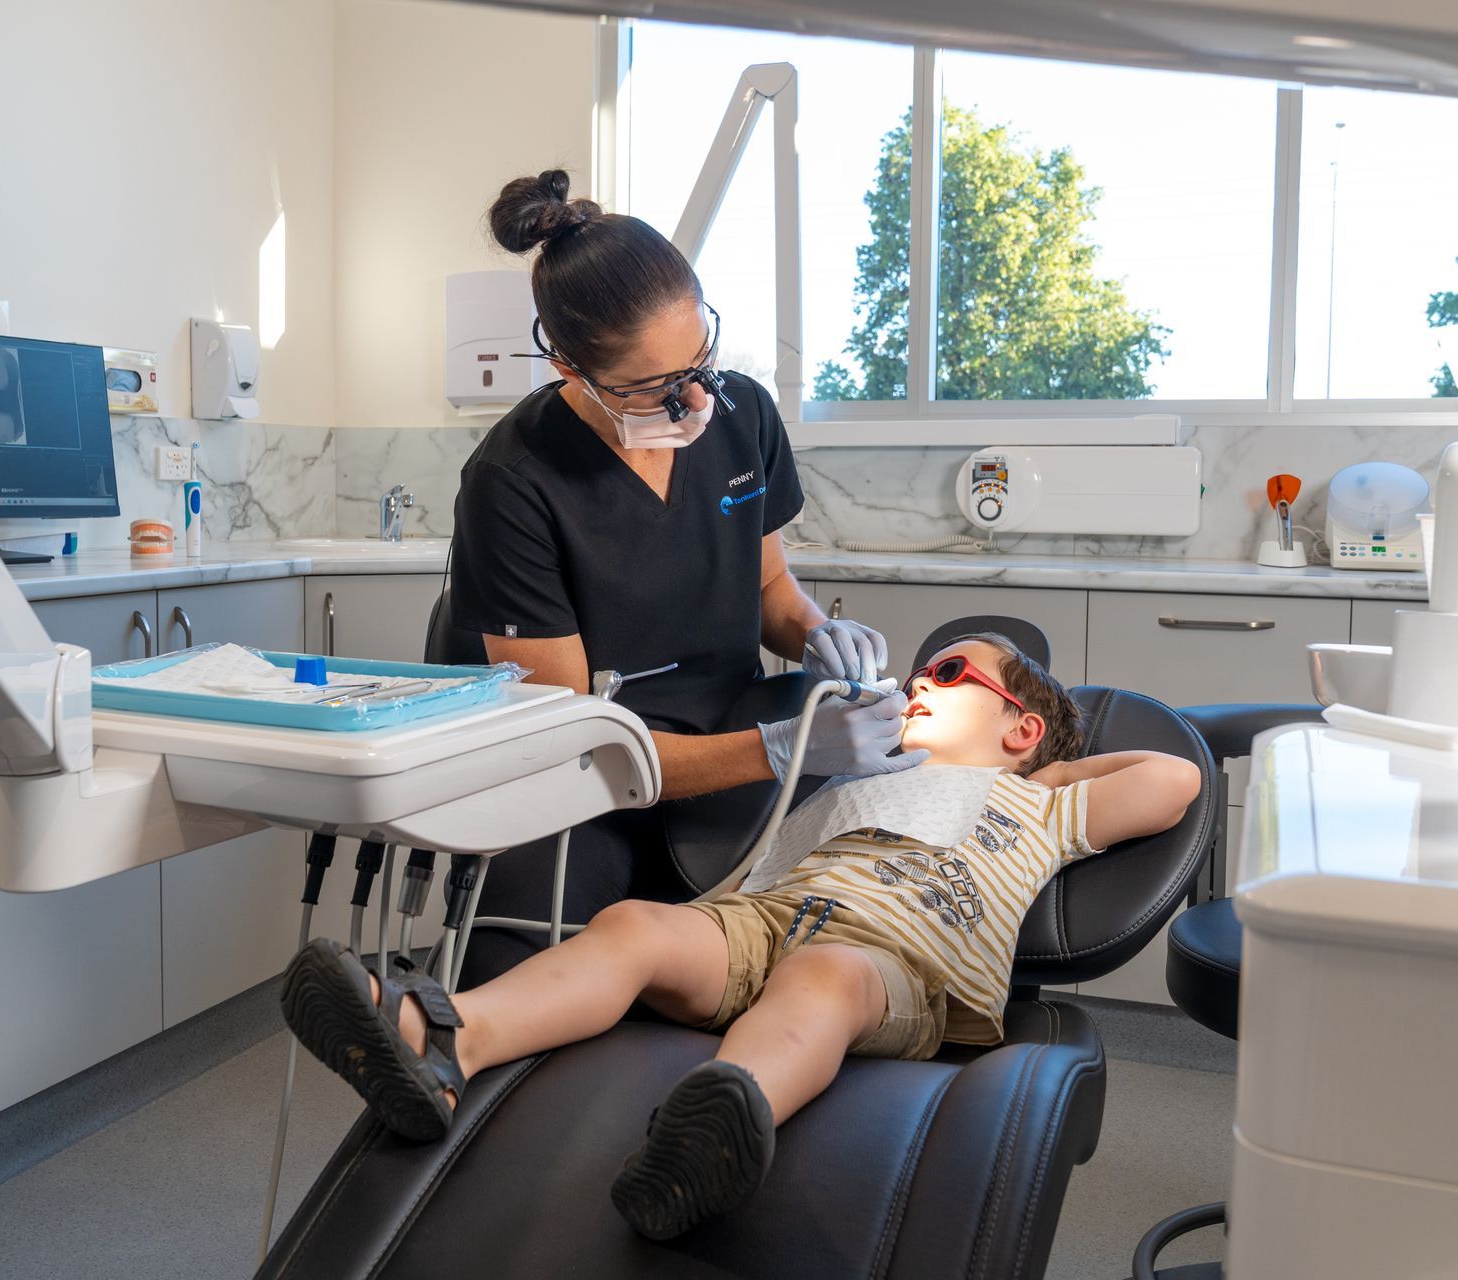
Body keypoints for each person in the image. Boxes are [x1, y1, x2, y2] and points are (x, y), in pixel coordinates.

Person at [279, 634, 1202, 1239]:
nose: (921, 680)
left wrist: (1048, 773)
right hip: (761, 924)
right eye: (921, 670)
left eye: (952, 674)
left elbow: (1172, 779)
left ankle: (719, 1127)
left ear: (1021, 729)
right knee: (634, 926)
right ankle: (447, 1042)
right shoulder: (847, 780)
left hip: (896, 954)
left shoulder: (1042, 806)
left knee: (825, 981)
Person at [446, 169, 912, 983]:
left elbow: (768, 590)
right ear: (566, 365)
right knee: (522, 968)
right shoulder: (514, 480)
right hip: (586, 783)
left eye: (702, 358)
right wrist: (777, 752)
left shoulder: (744, 416)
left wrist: (815, 636)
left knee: (784, 941)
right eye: (656, 386)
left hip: (726, 733)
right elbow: (568, 738)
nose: (696, 396)